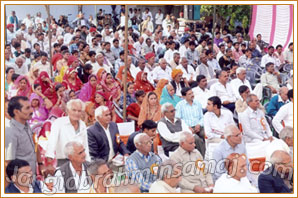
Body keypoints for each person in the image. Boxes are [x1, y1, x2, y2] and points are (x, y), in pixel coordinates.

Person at [5, 96, 49, 180]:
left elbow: (35, 145)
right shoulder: (10, 132)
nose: (32, 111)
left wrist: (40, 164)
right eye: (27, 108)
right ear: (16, 112)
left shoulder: (26, 124)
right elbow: (7, 163)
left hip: (32, 176)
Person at [46, 99, 91, 167]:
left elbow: (85, 145)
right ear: (68, 111)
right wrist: (49, 163)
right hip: (64, 161)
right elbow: (52, 143)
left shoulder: (82, 125)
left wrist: (88, 162)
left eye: (79, 111)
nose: (76, 113)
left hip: (80, 162)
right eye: (74, 110)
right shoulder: (59, 123)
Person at [175, 87, 206, 156]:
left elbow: (202, 117)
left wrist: (199, 124)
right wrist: (187, 128)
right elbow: (178, 120)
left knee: (205, 134)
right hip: (187, 129)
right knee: (197, 139)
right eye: (189, 94)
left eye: (192, 93)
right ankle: (202, 157)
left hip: (198, 126)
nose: (192, 95)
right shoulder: (180, 105)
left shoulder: (197, 103)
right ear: (184, 96)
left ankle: (208, 154)